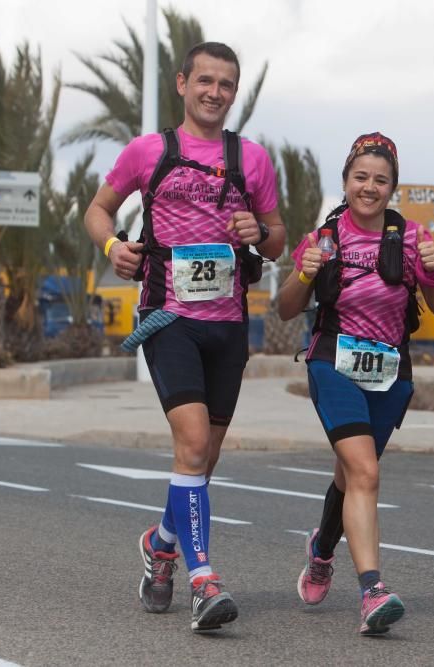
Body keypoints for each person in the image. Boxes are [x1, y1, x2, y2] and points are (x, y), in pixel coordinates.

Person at [84, 41, 284, 633]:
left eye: (226, 84)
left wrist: (260, 231)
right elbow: (99, 209)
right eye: (205, 81)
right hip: (167, 319)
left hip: (228, 324)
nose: (215, 92)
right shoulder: (149, 152)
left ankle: (160, 543)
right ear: (182, 83)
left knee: (203, 458)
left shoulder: (252, 159)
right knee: (193, 444)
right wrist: (112, 246)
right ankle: (204, 583)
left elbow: (277, 239)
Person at [277, 132, 434, 635]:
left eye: (380, 179)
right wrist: (304, 274)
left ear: (392, 187)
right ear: (346, 182)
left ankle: (320, 551)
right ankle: (373, 591)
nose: (369, 187)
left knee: (351, 476)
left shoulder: (412, 239)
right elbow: (286, 308)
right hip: (333, 363)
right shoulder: (324, 239)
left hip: (388, 372)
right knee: (366, 473)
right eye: (361, 178)